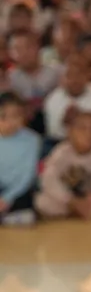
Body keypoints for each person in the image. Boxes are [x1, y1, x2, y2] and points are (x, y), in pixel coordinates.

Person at [35, 110, 91, 220]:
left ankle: (81, 212)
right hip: (68, 199)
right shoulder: (62, 151)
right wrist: (71, 201)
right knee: (42, 202)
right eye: (82, 129)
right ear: (70, 132)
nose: (88, 134)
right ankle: (76, 211)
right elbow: (48, 179)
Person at [0, 92, 38, 226]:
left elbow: (27, 176)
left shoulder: (32, 140)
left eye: (15, 116)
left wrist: (6, 198)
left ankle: (6, 218)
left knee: (29, 206)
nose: (10, 122)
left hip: (18, 191)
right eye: (3, 117)